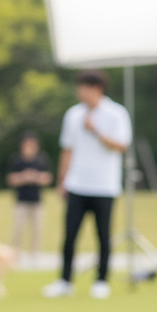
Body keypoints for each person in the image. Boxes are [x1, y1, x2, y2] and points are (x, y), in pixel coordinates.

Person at [43, 70, 132, 300]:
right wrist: (62, 180)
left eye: (84, 87)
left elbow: (122, 145)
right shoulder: (73, 115)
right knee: (70, 235)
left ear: (97, 89)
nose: (80, 92)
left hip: (105, 186)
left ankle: (101, 281)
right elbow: (67, 149)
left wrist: (97, 132)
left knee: (103, 236)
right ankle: (65, 280)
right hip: (77, 184)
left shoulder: (116, 113)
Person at [6, 131, 52, 265]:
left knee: (37, 229)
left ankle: (35, 255)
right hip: (21, 200)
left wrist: (35, 177)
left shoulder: (41, 159)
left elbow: (47, 178)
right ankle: (15, 255)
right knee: (18, 229)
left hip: (37, 200)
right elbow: (10, 179)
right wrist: (24, 177)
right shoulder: (17, 160)